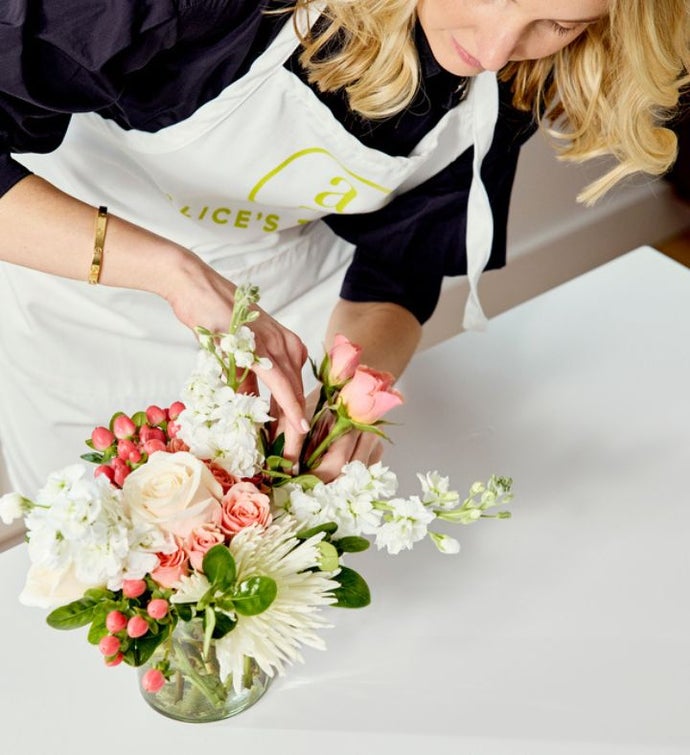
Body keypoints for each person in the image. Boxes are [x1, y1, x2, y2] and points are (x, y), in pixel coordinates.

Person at [0, 0, 687, 494]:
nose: (502, 46)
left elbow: (399, 268)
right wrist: (170, 270)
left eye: (559, 23)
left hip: (290, 305)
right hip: (81, 297)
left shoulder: (501, 76)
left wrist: (354, 393)